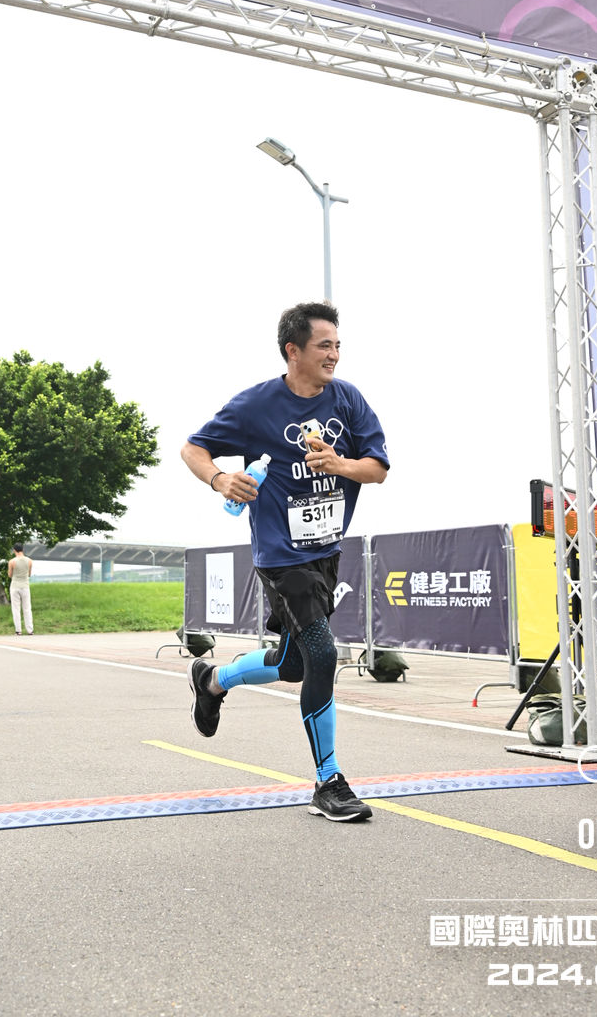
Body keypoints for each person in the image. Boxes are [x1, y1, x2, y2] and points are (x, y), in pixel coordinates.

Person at [181, 301, 389, 823]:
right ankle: (329, 781)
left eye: (337, 345)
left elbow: (377, 469)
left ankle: (211, 680)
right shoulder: (256, 405)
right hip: (280, 557)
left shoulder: (348, 399)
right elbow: (193, 449)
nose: (334, 355)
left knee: (293, 664)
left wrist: (340, 463)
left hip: (326, 552)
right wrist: (220, 479)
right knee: (323, 654)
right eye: (324, 346)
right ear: (293, 351)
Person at [8, 543, 34, 636]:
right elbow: (29, 574)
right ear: (22, 549)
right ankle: (30, 630)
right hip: (25, 586)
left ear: (14, 550)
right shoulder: (29, 561)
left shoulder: (12, 562)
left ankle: (18, 630)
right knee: (27, 608)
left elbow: (10, 575)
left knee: (16, 609)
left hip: (15, 586)